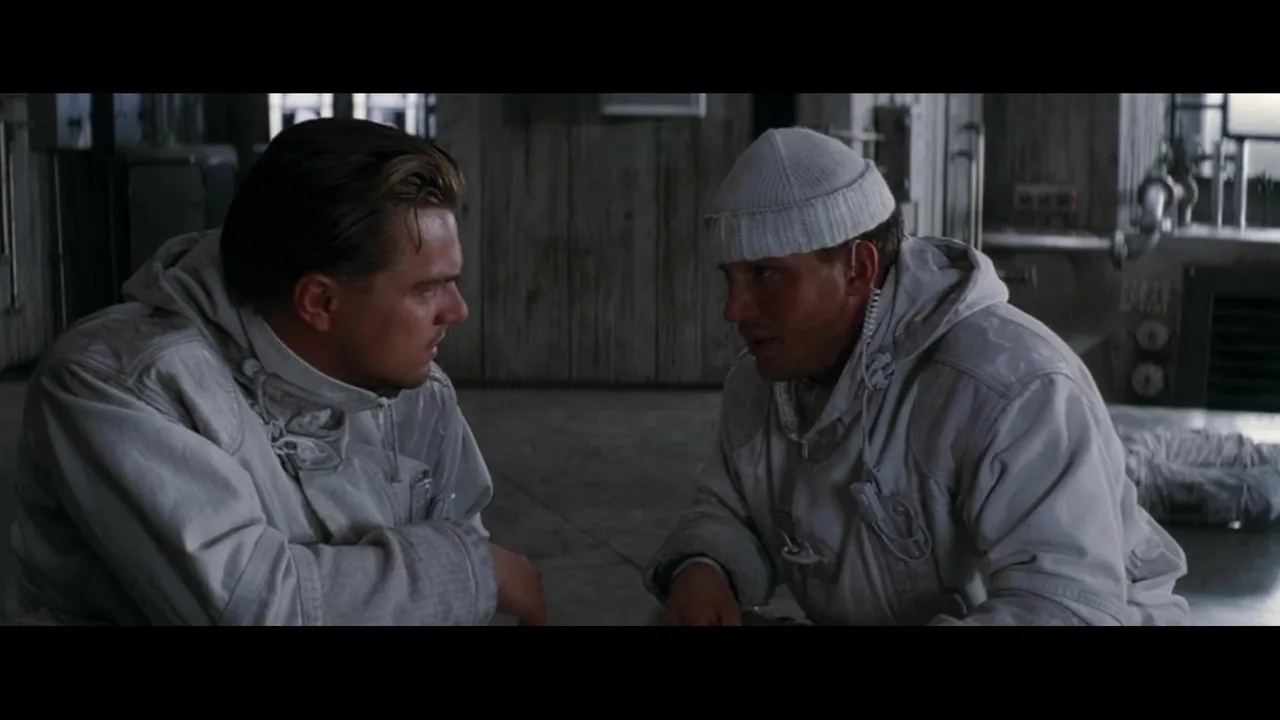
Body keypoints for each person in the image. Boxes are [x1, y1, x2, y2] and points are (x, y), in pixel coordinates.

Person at [4, 118, 546, 626]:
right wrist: (472, 572)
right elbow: (252, 604)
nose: (458, 311)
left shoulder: (416, 391)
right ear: (320, 302)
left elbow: (453, 557)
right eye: (426, 290)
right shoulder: (115, 383)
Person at [644, 127, 1192, 626]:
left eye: (766, 275)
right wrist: (705, 566)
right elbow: (730, 509)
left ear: (858, 269)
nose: (735, 309)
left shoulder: (1011, 387)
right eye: (731, 279)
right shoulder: (762, 384)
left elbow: (1066, 608)